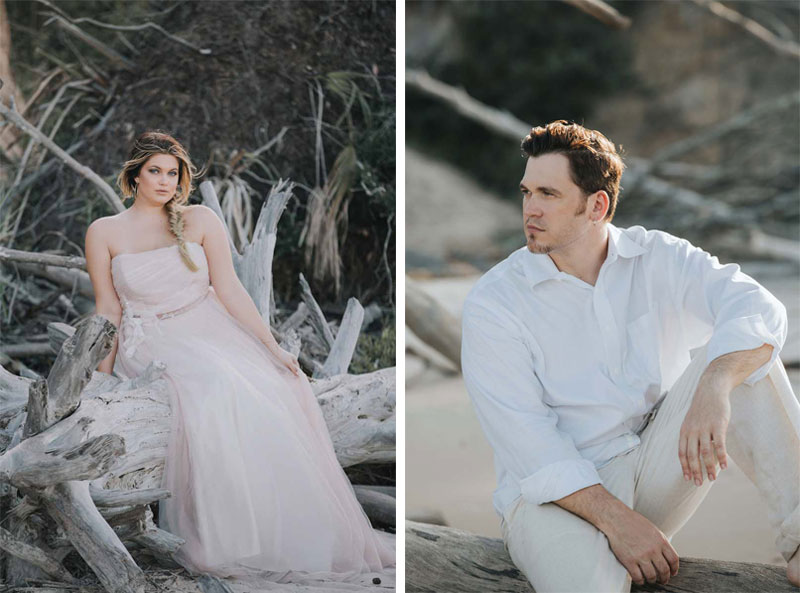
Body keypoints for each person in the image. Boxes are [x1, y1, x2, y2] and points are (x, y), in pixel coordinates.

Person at [461, 120, 799, 591]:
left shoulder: (657, 256)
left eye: (548, 194)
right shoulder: (495, 302)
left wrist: (715, 383)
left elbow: (759, 308)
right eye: (527, 192)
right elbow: (530, 447)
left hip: (654, 463)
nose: (530, 209)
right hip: (552, 498)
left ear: (597, 205)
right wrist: (619, 522)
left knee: (747, 358)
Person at [84, 130, 395, 581]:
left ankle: (278, 532)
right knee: (212, 385)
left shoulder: (201, 220)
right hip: (150, 340)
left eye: (173, 173)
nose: (165, 181)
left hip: (209, 327)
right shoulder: (104, 231)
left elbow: (229, 289)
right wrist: (102, 378)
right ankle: (222, 539)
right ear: (134, 176)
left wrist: (272, 347)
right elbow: (108, 309)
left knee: (270, 386)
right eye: (155, 171)